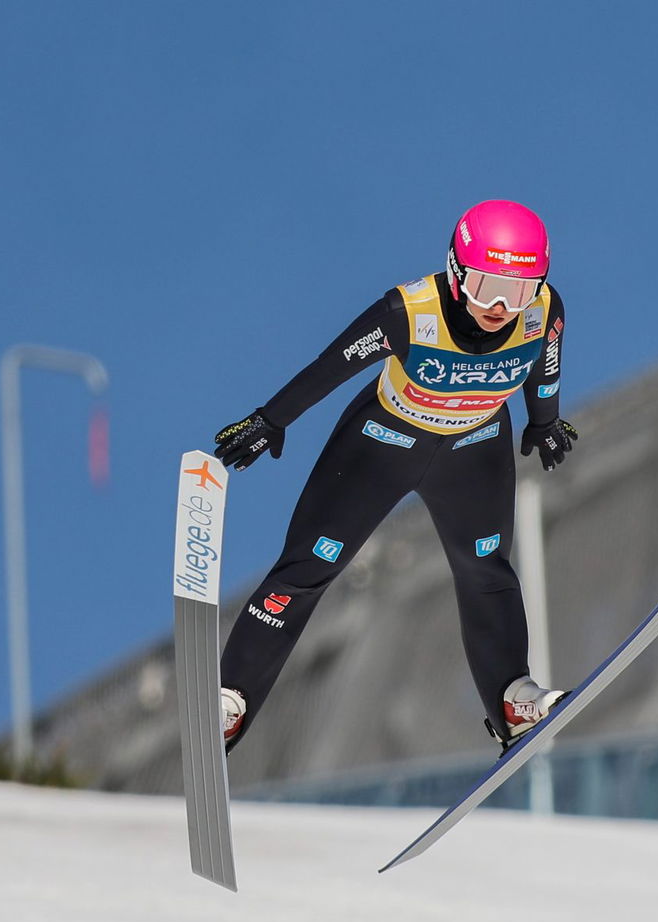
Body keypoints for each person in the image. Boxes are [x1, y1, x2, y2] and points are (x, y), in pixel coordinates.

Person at [212, 199, 579, 753]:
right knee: (309, 567)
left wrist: (545, 422)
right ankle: (230, 699)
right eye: (485, 285)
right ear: (456, 272)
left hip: (473, 448)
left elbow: (543, 368)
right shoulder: (409, 311)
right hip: (383, 443)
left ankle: (512, 699)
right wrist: (269, 420)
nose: (501, 306)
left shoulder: (545, 312)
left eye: (519, 289)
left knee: (487, 571)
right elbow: (329, 367)